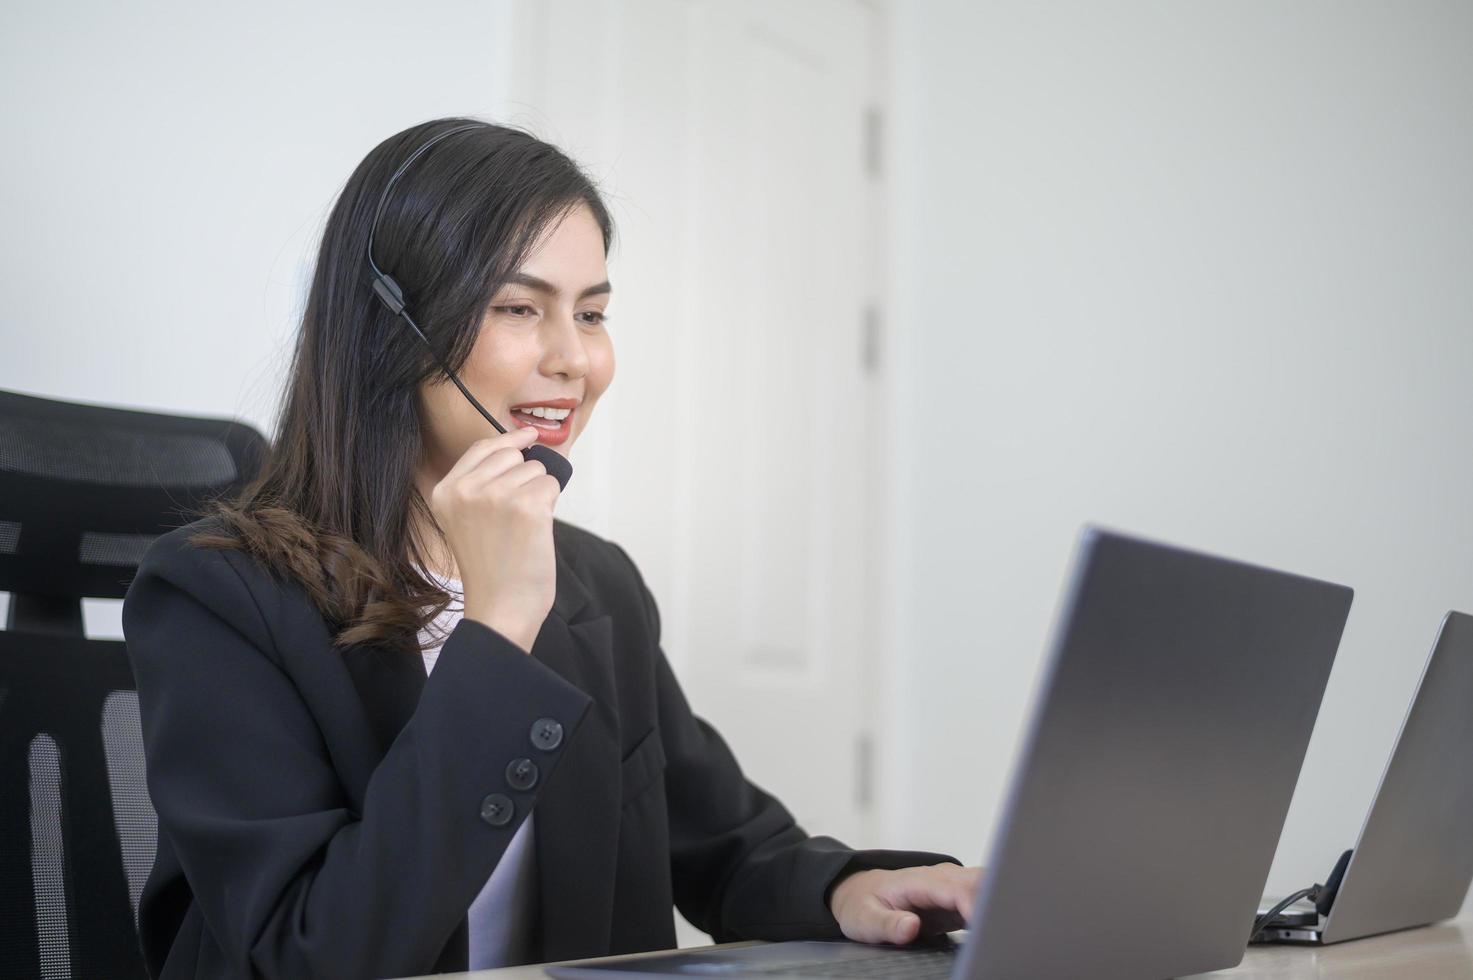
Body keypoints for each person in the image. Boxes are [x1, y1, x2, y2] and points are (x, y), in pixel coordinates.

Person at [121, 117, 979, 980]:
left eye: (594, 313)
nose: (576, 360)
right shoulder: (218, 594)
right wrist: (495, 632)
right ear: (391, 324)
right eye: (519, 308)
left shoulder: (595, 581)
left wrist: (845, 889)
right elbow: (314, 953)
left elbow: (725, 847)